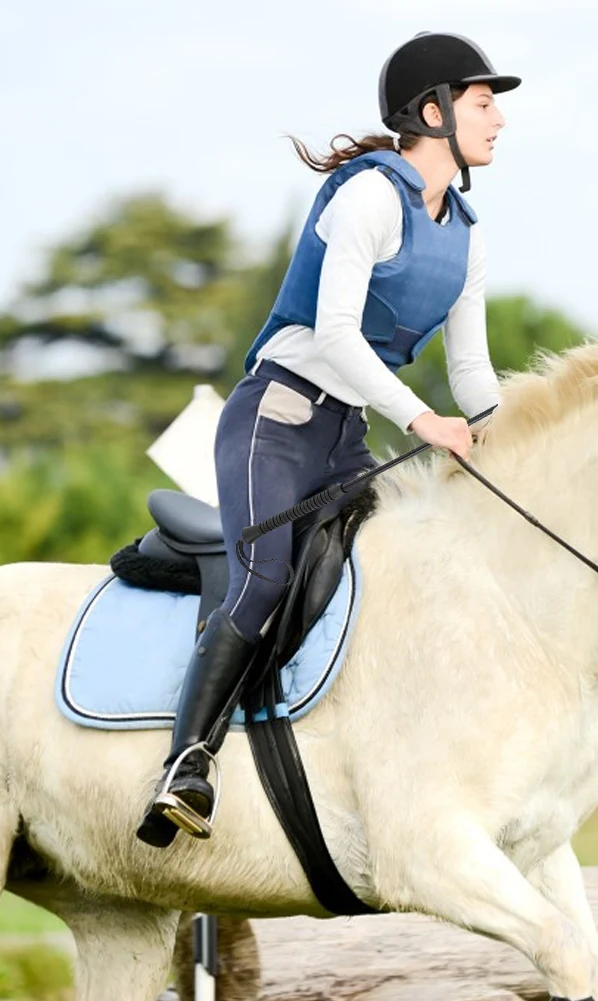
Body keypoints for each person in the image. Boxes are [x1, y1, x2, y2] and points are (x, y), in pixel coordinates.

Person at [136, 30, 520, 847]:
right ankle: (186, 763)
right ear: (433, 112)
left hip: (345, 435)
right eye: (484, 103)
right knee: (264, 576)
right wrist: (422, 421)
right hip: (274, 420)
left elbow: (472, 371)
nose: (499, 120)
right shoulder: (369, 199)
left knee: (401, 571)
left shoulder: (468, 233)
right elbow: (337, 334)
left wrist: (512, 439)